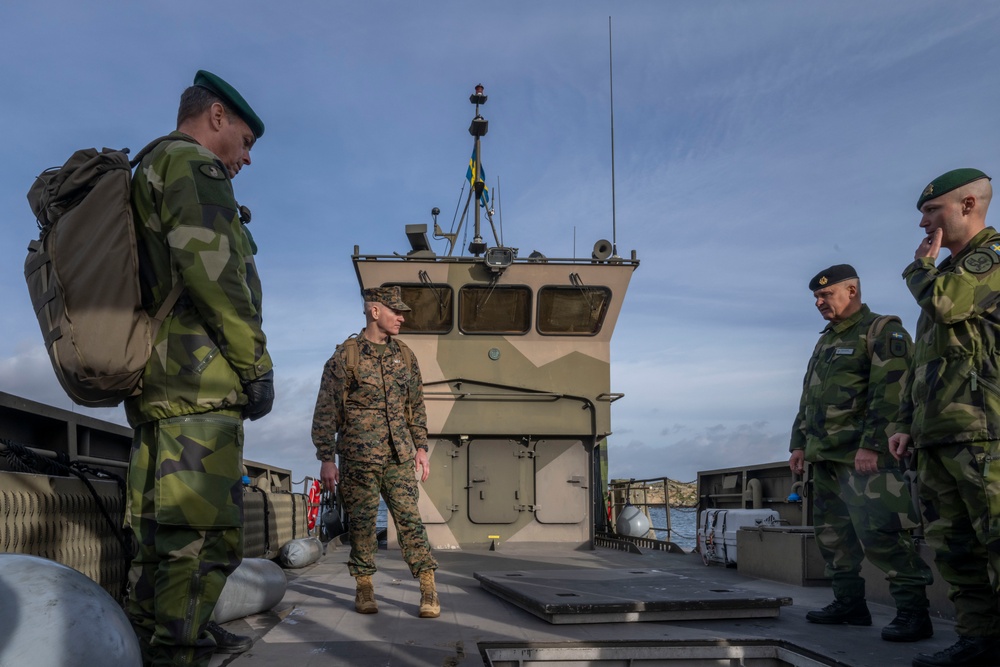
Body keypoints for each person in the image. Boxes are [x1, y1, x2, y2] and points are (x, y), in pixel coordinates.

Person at [125, 70, 274, 667]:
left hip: (158, 385)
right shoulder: (194, 167)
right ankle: (177, 652)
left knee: (156, 536)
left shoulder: (151, 167)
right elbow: (214, 275)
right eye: (245, 141)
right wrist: (255, 365)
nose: (245, 158)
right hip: (200, 386)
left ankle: (144, 643)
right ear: (217, 116)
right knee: (201, 537)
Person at [889, 168, 1000, 667]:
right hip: (938, 439)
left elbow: (945, 305)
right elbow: (923, 364)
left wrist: (919, 268)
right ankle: (979, 641)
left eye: (931, 212)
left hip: (986, 437)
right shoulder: (950, 273)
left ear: (969, 206)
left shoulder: (990, 260)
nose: (923, 225)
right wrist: (904, 422)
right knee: (957, 551)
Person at [789, 264, 934, 642]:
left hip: (863, 460)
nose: (819, 302)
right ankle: (850, 604)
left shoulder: (882, 331)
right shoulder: (826, 341)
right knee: (833, 538)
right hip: (826, 458)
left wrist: (871, 445)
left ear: (851, 291)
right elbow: (810, 398)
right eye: (816, 297)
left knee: (884, 536)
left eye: (826, 295)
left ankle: (914, 613)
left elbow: (893, 393)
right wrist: (799, 444)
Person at [311, 286, 440, 618]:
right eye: (395, 311)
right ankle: (364, 588)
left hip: (398, 456)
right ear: (374, 311)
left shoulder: (405, 356)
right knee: (363, 525)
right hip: (358, 458)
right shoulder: (346, 357)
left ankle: (428, 588)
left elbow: (415, 407)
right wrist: (327, 458)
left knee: (411, 522)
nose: (401, 318)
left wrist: (421, 447)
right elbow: (326, 411)